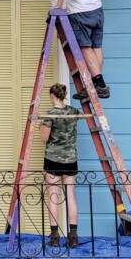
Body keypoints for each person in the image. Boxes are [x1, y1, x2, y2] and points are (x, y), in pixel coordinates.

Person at [40, 83, 80, 248]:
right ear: (63, 96)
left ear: (52, 96)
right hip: (70, 159)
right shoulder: (74, 112)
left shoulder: (49, 114)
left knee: (53, 197)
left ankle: (55, 238)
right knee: (70, 196)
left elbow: (44, 138)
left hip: (53, 160)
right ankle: (73, 238)